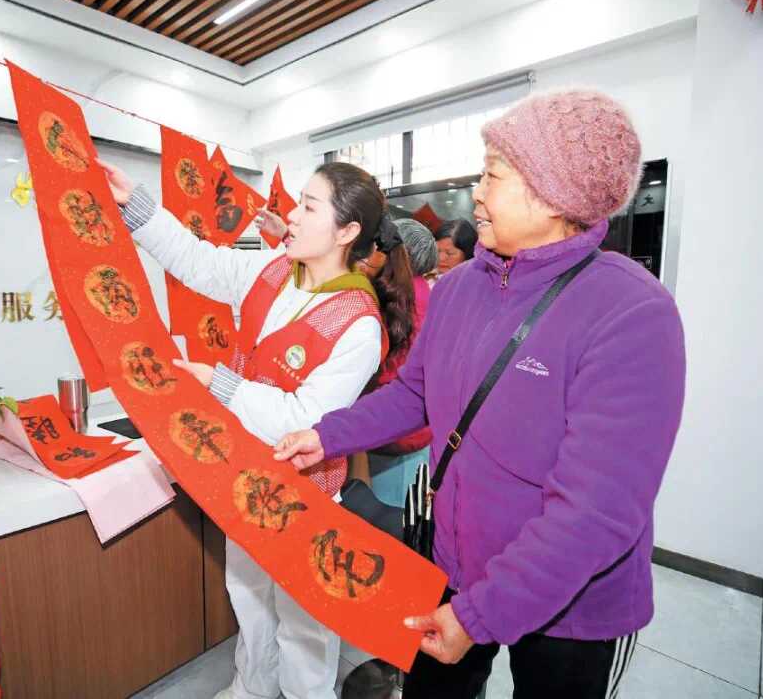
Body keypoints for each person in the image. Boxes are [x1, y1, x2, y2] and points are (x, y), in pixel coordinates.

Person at [274, 89, 686, 699]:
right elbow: (414, 395)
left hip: (569, 601)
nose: (477, 194)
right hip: (455, 564)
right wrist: (325, 435)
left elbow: (594, 511)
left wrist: (480, 616)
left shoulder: (631, 312)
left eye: (492, 175)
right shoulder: (459, 287)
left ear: (553, 194)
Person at [99, 159, 411, 699]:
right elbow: (198, 262)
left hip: (307, 493)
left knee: (305, 623)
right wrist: (139, 206)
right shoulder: (272, 271)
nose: (292, 216)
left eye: (308, 207)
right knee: (249, 599)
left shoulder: (357, 323)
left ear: (346, 231)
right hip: (245, 475)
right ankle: (250, 689)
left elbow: (305, 421)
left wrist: (222, 386)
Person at [358, 219, 436, 504]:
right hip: (415, 430)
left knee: (388, 511)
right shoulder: (425, 293)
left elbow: (388, 372)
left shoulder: (399, 298)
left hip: (394, 432)